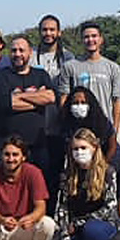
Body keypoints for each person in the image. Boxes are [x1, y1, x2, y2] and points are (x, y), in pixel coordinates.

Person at [54, 129, 120, 240]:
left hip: (101, 226)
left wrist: (81, 223)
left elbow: (110, 206)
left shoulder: (108, 172)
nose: (79, 152)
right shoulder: (67, 175)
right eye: (75, 149)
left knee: (91, 230)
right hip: (76, 231)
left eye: (83, 148)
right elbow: (62, 208)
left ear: (94, 148)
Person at [0, 37, 55, 178]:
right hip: (6, 148)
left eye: (21, 50)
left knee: (40, 186)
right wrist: (36, 98)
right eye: (14, 50)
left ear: (30, 52)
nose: (17, 54)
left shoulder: (41, 75)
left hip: (37, 146)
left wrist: (18, 96)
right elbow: (4, 103)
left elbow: (50, 97)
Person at [31, 14, 76, 197]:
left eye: (52, 30)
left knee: (55, 172)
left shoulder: (68, 58)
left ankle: (53, 209)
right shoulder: (31, 56)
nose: (48, 33)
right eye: (44, 29)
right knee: (35, 173)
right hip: (35, 123)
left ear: (59, 32)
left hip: (58, 125)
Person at [58, 21, 120, 139]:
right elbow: (64, 98)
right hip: (78, 128)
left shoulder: (112, 67)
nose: (90, 40)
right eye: (86, 37)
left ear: (101, 39)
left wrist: (115, 129)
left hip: (103, 126)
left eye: (94, 36)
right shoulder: (69, 67)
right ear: (82, 40)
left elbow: (117, 100)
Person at [59, 86, 119, 165]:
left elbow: (112, 146)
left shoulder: (101, 121)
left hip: (104, 158)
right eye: (75, 103)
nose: (79, 106)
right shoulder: (66, 123)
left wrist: (102, 165)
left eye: (83, 102)